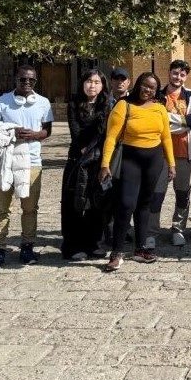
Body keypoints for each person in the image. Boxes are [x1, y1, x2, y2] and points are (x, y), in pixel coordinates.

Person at [99, 72, 176, 272]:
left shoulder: (160, 108)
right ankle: (116, 252)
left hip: (154, 160)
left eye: (152, 87)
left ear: (156, 91)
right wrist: (105, 164)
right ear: (137, 85)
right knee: (126, 204)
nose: (147, 90)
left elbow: (166, 137)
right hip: (130, 160)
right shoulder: (124, 106)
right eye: (144, 85)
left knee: (145, 204)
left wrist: (171, 163)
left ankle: (140, 249)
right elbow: (111, 137)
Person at [0, 65, 54, 271]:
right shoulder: (1, 102)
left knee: (30, 208)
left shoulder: (43, 103)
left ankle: (27, 246)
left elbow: (47, 130)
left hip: (32, 163)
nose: (27, 83)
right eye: (23, 79)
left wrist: (34, 135)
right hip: (6, 161)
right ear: (15, 80)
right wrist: (11, 132)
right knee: (2, 208)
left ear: (36, 81)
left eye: (31, 80)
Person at [148, 59, 191, 249]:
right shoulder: (158, 95)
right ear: (169, 73)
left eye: (182, 74)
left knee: (182, 194)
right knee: (156, 194)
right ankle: (151, 232)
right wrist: (180, 121)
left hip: (185, 152)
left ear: (186, 77)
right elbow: (154, 121)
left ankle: (178, 229)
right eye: (175, 73)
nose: (178, 77)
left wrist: (167, 119)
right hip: (160, 153)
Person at [61, 69, 109, 261]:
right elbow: (77, 133)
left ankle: (94, 243)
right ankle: (72, 246)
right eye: (89, 81)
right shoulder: (74, 105)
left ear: (102, 85)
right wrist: (86, 149)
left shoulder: (107, 106)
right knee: (73, 204)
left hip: (98, 161)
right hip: (77, 161)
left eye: (97, 82)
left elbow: (106, 134)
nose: (92, 85)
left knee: (96, 204)